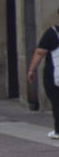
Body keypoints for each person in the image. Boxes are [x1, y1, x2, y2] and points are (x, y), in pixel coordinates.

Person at [28, 8, 59, 138]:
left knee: (57, 102)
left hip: (55, 76)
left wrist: (31, 69)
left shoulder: (52, 33)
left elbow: (40, 52)